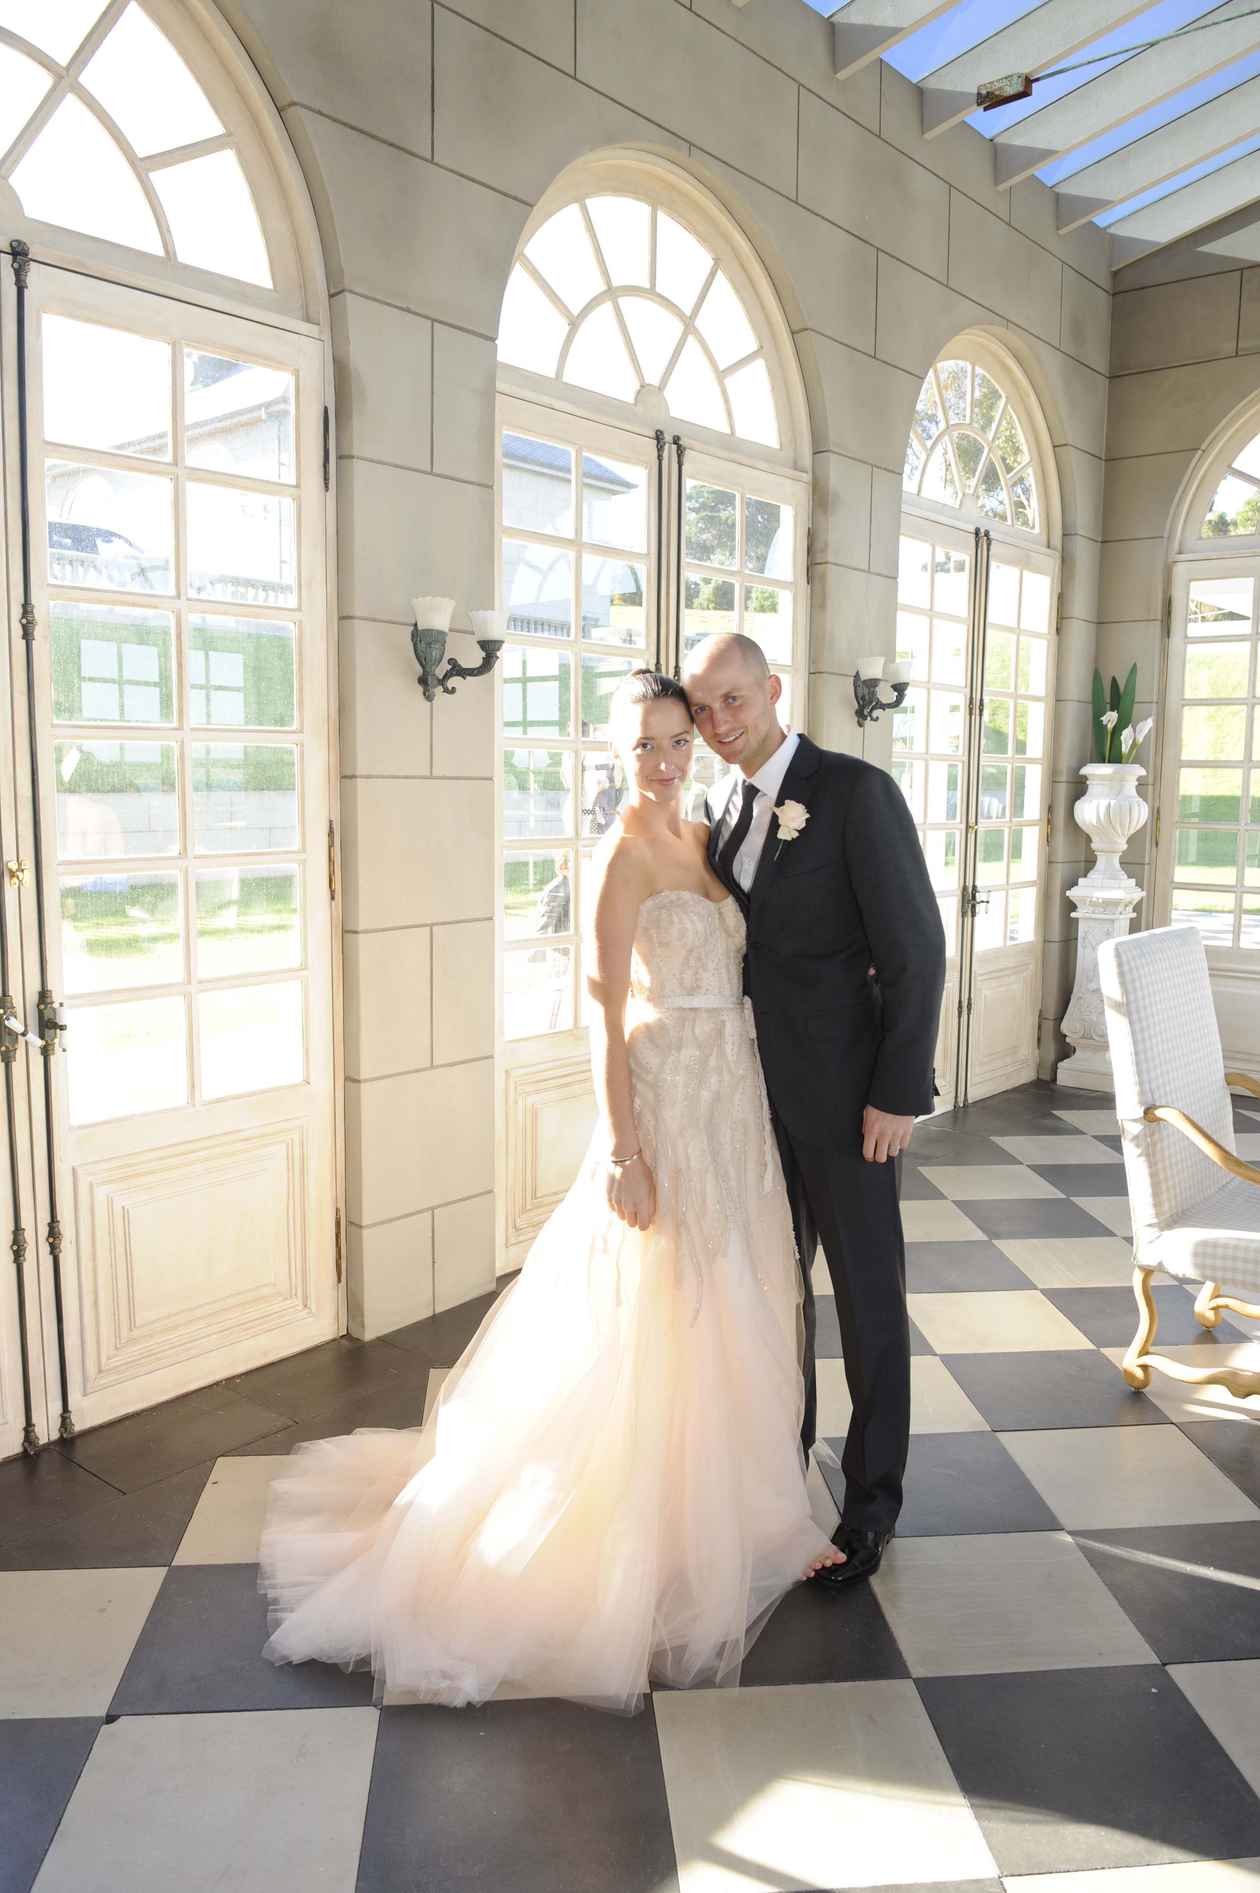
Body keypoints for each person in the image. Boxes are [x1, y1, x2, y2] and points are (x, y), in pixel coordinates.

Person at [256, 669, 842, 1715]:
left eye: (676, 741)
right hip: (663, 1102)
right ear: (614, 758)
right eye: (644, 748)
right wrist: (623, 1148)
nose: (663, 763)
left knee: (738, 1291)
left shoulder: (708, 840)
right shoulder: (619, 860)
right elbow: (601, 1018)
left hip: (733, 1102)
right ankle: (640, 1536)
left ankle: (750, 1514)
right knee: (656, 1308)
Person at [682, 634, 946, 1589]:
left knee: (869, 1304)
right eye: (704, 709)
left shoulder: (854, 792)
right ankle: (778, 1479)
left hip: (849, 1106)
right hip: (750, 1103)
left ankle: (872, 1506)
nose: (719, 724)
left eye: (734, 701)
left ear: (774, 690)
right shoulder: (719, 809)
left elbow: (917, 948)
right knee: (776, 1296)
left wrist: (896, 1092)